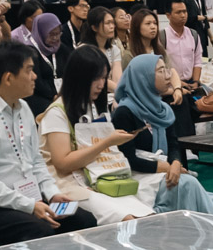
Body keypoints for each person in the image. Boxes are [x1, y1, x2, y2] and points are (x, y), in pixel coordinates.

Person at [0, 43, 95, 246]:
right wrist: (29, 205)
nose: (35, 76)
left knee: (84, 220)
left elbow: (36, 160)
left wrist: (52, 193)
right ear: (8, 78)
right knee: (41, 231)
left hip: (26, 195)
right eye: (29, 70)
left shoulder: (23, 108)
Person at [38, 45, 153, 222]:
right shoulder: (56, 113)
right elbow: (62, 163)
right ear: (78, 78)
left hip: (98, 177)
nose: (101, 85)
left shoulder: (91, 106)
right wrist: (106, 142)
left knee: (147, 214)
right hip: (67, 185)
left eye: (104, 77)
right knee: (128, 218)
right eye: (95, 78)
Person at [108, 55, 213, 215]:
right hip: (137, 177)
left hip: (162, 172)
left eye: (166, 70)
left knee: (191, 187)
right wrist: (164, 167)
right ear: (144, 78)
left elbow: (173, 144)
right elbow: (127, 159)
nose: (168, 75)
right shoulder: (124, 113)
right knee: (188, 185)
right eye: (160, 71)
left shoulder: (163, 109)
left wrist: (175, 163)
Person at [25, 13, 63, 116]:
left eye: (58, 34)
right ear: (41, 32)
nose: (55, 38)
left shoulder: (60, 48)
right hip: (39, 97)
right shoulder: (30, 51)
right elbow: (37, 81)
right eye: (51, 34)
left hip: (60, 94)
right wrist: (53, 95)